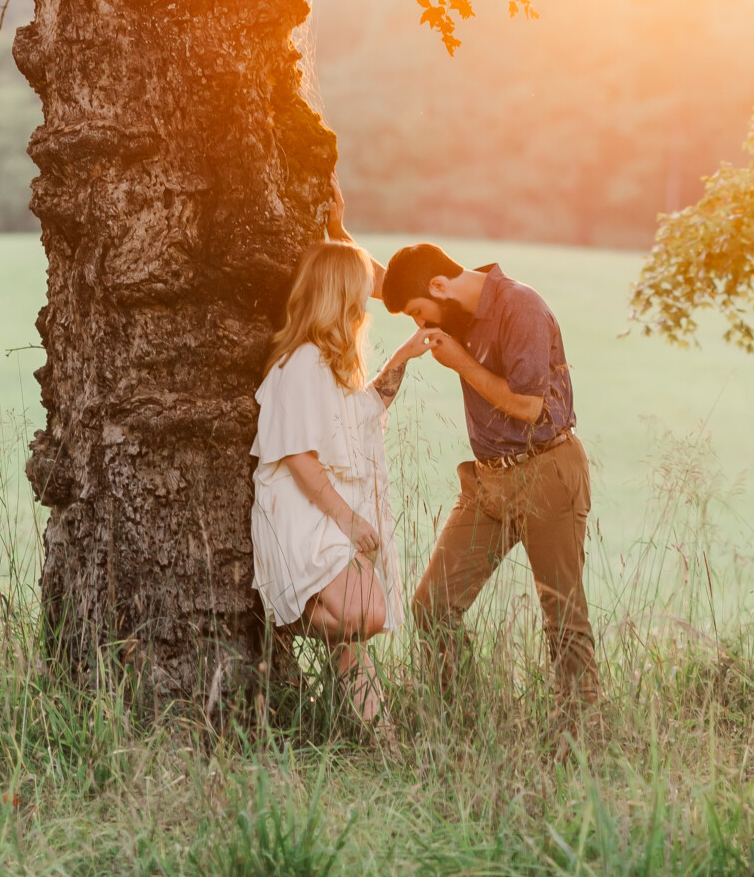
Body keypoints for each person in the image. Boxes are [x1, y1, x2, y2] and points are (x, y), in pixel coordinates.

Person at [381, 242, 599, 718]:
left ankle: (581, 739)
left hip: (547, 470)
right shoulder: (449, 306)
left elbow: (528, 406)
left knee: (562, 617)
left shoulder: (520, 306)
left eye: (419, 313)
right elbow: (387, 284)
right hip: (486, 484)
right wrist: (338, 229)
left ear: (439, 286)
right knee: (431, 607)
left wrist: (459, 362)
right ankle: (464, 723)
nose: (421, 327)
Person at [251, 239, 431, 722]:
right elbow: (298, 457)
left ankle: (384, 746)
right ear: (341, 294)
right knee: (366, 614)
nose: (366, 301)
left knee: (352, 637)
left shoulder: (329, 363)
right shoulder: (302, 363)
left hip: (326, 508)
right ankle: (284, 607)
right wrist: (349, 520)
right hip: (304, 510)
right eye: (360, 290)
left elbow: (366, 412)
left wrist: (404, 356)